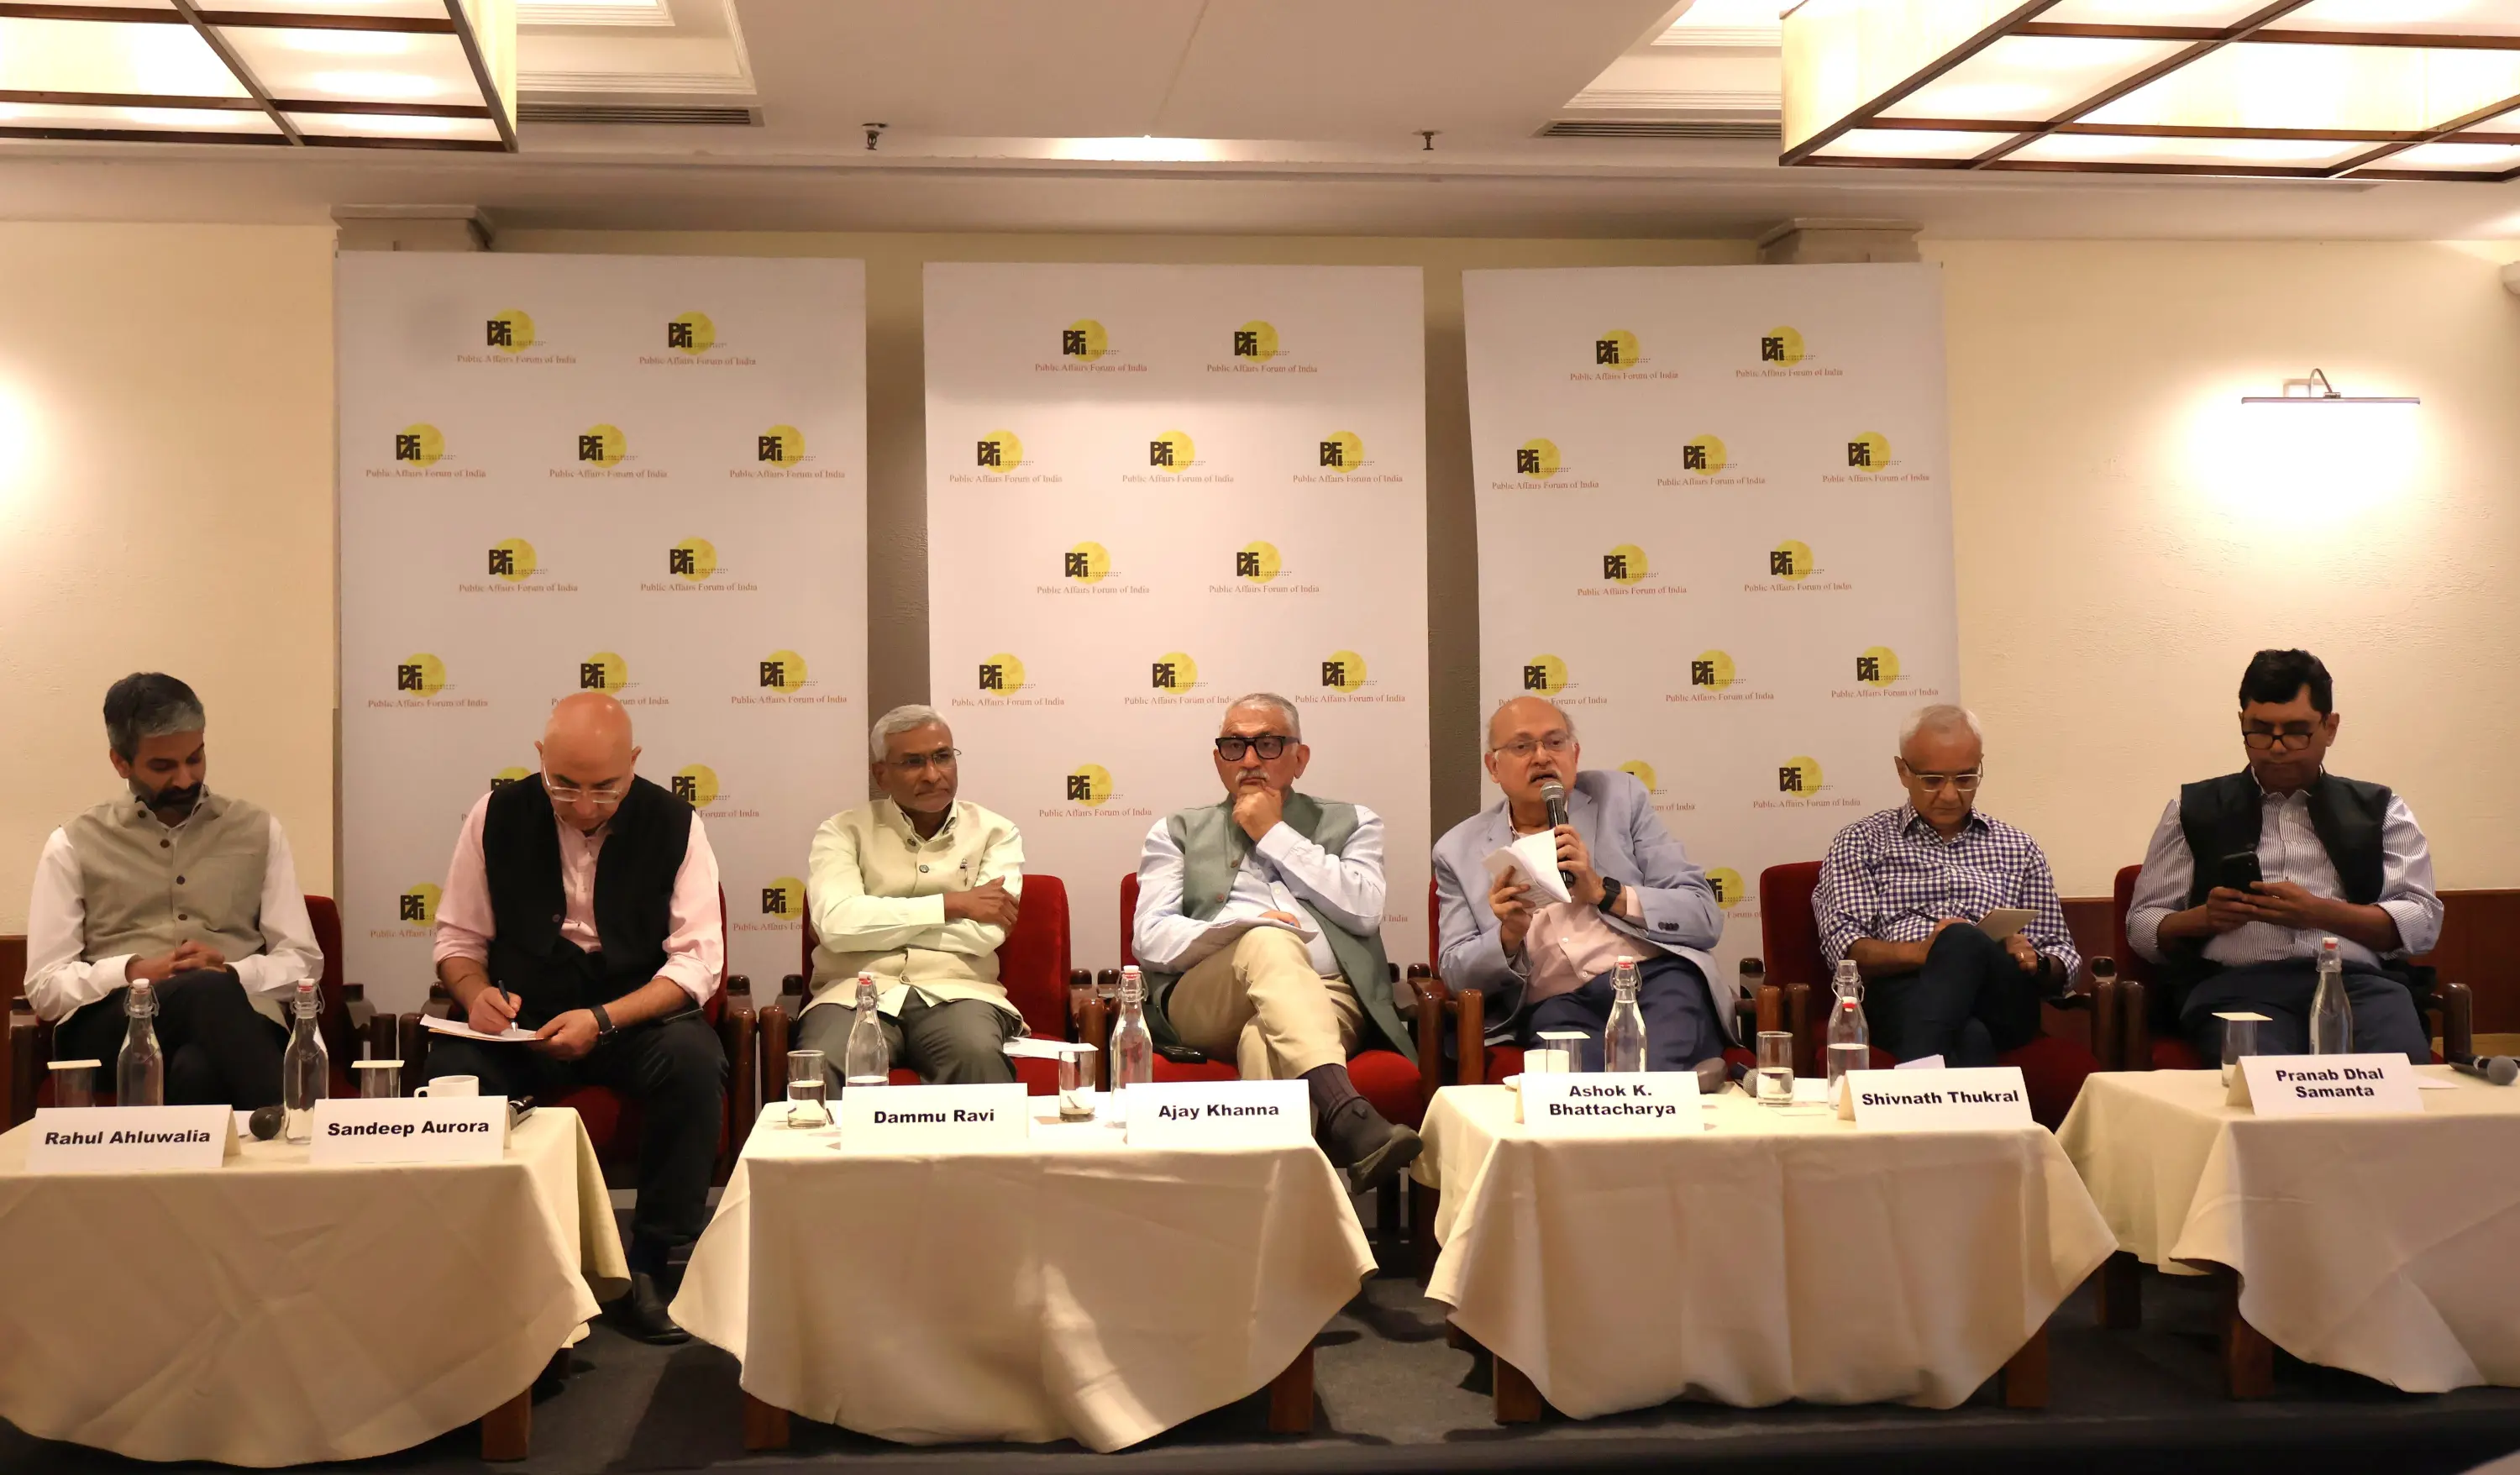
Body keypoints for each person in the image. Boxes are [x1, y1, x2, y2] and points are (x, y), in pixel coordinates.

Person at [426, 691, 726, 1344]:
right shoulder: (494, 816)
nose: (584, 807)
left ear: (634, 762)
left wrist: (603, 1019)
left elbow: (698, 963)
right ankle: (480, 1265)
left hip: (629, 1016)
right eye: (564, 785)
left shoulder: (676, 823)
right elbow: (458, 942)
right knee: (452, 1071)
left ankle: (653, 1264)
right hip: (523, 1018)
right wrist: (475, 994)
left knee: (693, 1064)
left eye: (605, 788)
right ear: (539, 758)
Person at [1133, 693, 1420, 1190]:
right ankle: (1346, 1111)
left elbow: (1364, 909)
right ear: (1218, 760)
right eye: (1234, 746)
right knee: (1268, 939)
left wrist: (1273, 833)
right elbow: (1151, 938)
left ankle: (1276, 1214)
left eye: (1266, 744)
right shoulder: (1175, 831)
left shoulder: (1355, 822)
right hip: (1208, 999)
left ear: (1299, 758)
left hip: (1328, 992)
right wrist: (1245, 928)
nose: (1248, 760)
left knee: (1264, 1041)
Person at [2128, 648, 2439, 1065]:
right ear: (2242, 722)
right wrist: (2203, 919)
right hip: (2237, 988)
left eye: (2296, 731)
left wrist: (2319, 913)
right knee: (2264, 1082)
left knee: (2397, 1077)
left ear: (2330, 727)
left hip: (2357, 985)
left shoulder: (2382, 809)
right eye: (2260, 731)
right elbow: (2142, 924)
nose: (2276, 748)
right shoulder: (2192, 808)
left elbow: (2422, 921)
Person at [23, 673, 320, 1107]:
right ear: (121, 763)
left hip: (239, 1019)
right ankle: (298, 1129)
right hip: (111, 1028)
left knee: (196, 1066)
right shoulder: (72, 843)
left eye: (195, 759)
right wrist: (132, 971)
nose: (185, 779)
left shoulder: (258, 830)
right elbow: (46, 988)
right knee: (205, 992)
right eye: (163, 767)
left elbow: (303, 963)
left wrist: (233, 973)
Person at [1433, 696, 1728, 1073]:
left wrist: (1604, 892)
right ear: (1494, 767)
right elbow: (1456, 974)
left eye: (1555, 742)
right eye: (1522, 746)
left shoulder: (1621, 798)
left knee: (1653, 1072)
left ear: (1574, 754)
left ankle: (1668, 1089)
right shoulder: (1457, 850)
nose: (1542, 757)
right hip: (1556, 1005)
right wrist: (1507, 937)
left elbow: (1703, 915)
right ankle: (1690, 1084)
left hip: (1652, 981)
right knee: (1576, 1088)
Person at [1814, 705, 2082, 1066]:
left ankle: (1910, 1088)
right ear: (1903, 771)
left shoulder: (2019, 848)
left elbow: (2063, 955)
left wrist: (2038, 962)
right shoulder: (1861, 841)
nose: (1951, 795)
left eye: (1966, 778)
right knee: (1970, 1037)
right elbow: (1846, 950)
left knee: (1962, 939)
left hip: (2001, 999)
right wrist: (1925, 951)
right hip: (1901, 993)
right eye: (1933, 780)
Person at [799, 706, 1026, 1087]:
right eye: (913, 762)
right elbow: (836, 926)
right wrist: (952, 904)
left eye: (942, 757)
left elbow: (984, 935)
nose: (933, 774)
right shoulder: (842, 831)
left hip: (958, 992)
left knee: (975, 1053)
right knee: (827, 1060)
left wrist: (869, 925)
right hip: (853, 993)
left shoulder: (996, 832)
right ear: (881, 774)